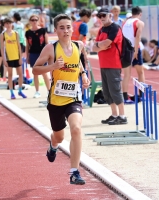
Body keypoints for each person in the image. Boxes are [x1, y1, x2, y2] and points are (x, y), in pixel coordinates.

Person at [32, 14, 90, 185]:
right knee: (59, 136)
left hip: (73, 98)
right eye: (62, 28)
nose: (66, 31)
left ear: (73, 29)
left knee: (76, 129)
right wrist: (53, 67)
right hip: (56, 101)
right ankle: (53, 146)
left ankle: (74, 172)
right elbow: (35, 69)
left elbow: (79, 64)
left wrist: (84, 76)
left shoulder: (79, 46)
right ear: (56, 30)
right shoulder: (51, 48)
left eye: (68, 27)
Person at [91, 8, 127, 125]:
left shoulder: (115, 28)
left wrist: (99, 45)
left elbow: (107, 43)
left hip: (114, 64)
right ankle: (114, 114)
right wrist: (99, 45)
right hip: (103, 64)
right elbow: (93, 47)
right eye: (99, 15)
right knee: (106, 92)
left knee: (115, 90)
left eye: (104, 15)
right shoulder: (101, 29)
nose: (101, 17)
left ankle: (122, 116)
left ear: (109, 15)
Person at [122, 6, 145, 104]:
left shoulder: (125, 22)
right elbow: (138, 37)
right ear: (140, 14)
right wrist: (135, 51)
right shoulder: (139, 22)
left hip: (124, 49)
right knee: (140, 72)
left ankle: (125, 97)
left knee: (126, 74)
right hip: (134, 48)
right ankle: (141, 95)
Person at [0, 18, 27, 99]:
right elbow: (2, 48)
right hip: (9, 58)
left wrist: (20, 57)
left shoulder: (16, 33)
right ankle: (11, 92)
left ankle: (20, 91)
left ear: (12, 24)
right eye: (6, 23)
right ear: (4, 25)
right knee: (10, 75)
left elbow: (19, 46)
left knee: (21, 74)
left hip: (17, 57)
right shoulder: (3, 35)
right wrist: (4, 59)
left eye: (9, 23)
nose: (8, 25)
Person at [25, 14, 50, 98]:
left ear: (38, 21)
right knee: (35, 73)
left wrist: (48, 54)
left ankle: (49, 91)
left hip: (42, 54)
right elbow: (27, 45)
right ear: (30, 21)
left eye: (36, 20)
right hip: (33, 53)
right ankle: (37, 91)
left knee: (44, 73)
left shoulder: (43, 30)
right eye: (32, 20)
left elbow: (47, 43)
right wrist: (27, 56)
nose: (34, 21)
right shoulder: (28, 33)